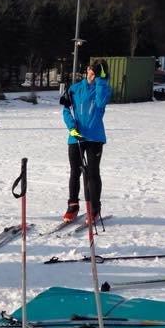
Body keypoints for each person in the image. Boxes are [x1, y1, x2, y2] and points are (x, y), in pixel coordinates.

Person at [60, 58, 111, 223]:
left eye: (96, 71)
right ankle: (73, 205)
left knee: (92, 173)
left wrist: (101, 81)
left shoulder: (103, 88)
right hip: (76, 137)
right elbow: (66, 109)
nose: (91, 73)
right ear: (87, 69)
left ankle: (94, 208)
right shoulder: (74, 89)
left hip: (95, 137)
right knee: (75, 172)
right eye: (90, 69)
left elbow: (101, 103)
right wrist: (71, 127)